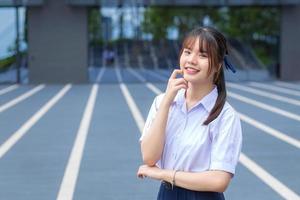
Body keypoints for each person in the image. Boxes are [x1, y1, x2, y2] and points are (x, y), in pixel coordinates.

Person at [137, 26, 242, 200]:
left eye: (202, 55)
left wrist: (164, 174)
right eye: (187, 52)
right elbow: (149, 157)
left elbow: (219, 181)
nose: (191, 60)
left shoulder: (225, 116)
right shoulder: (161, 102)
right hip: (166, 195)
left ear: (217, 65)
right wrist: (166, 103)